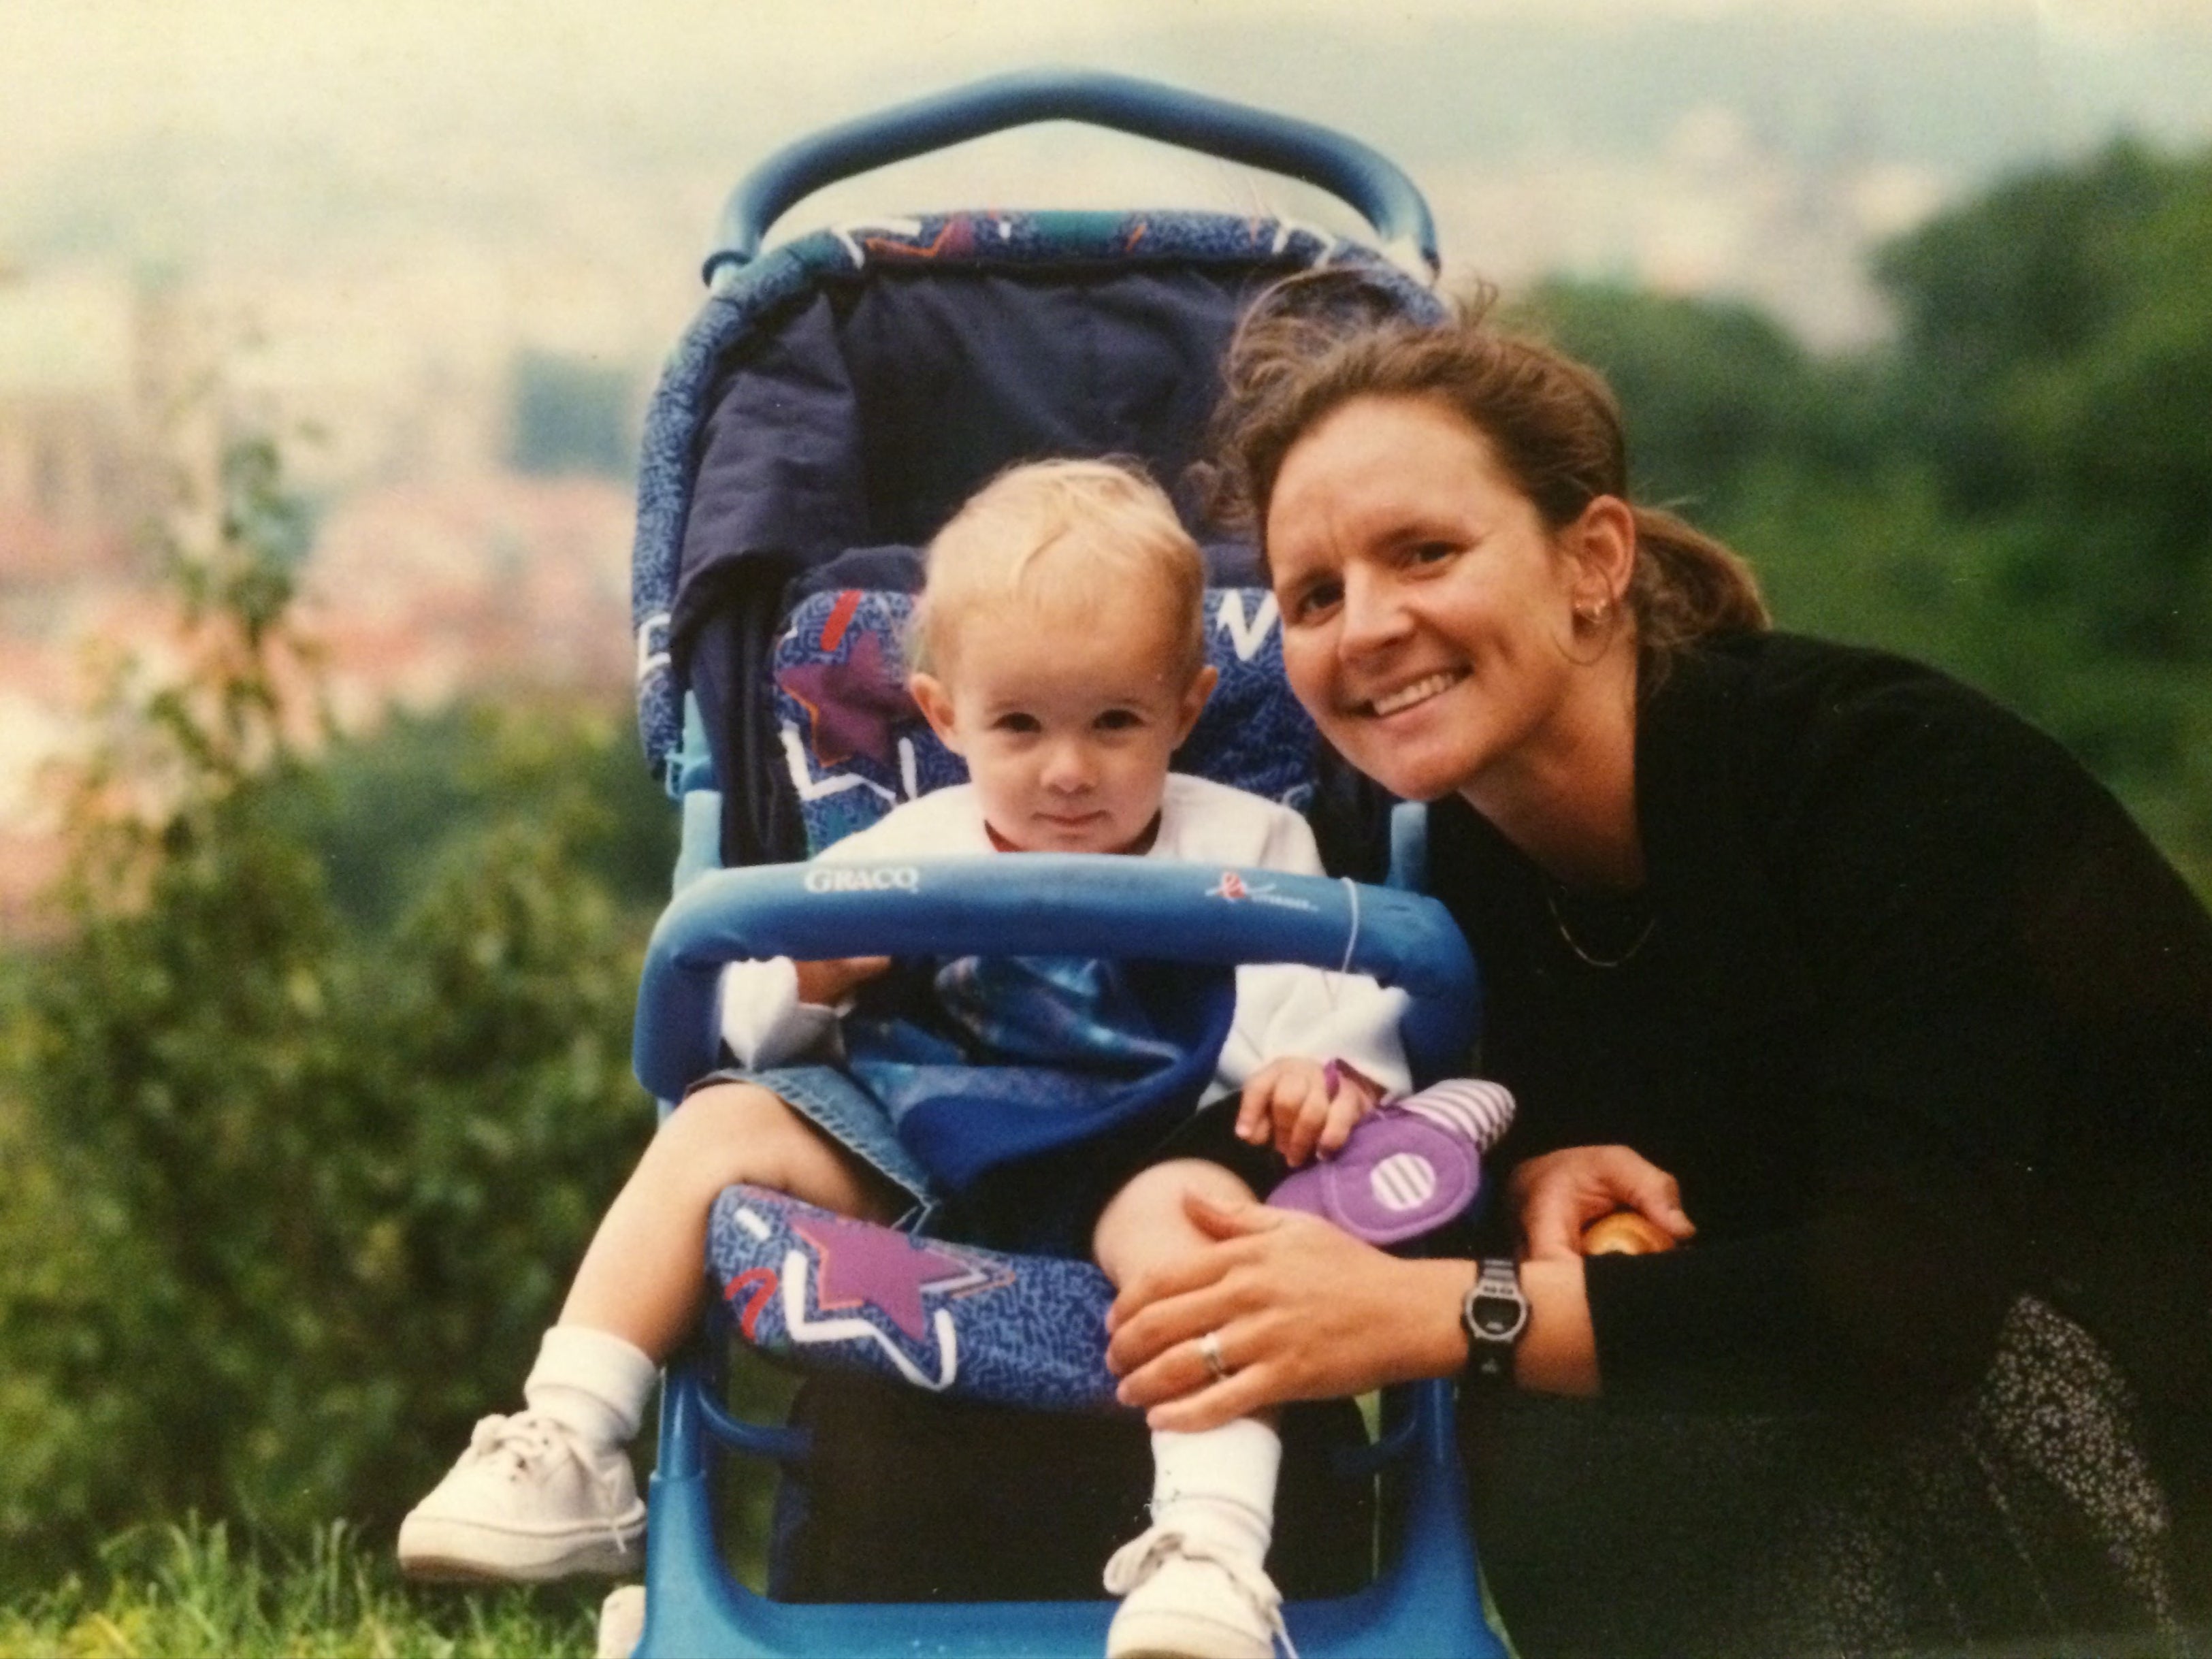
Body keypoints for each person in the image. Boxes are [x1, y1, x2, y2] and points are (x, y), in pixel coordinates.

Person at [1103, 274, 2212, 1657]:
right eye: (1315, 593)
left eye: (1425, 554)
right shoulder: (1451, 866)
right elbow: (1376, 1123)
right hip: (1869, 1433)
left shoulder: (1890, 781)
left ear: (1594, 560)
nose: (1367, 625)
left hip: (2128, 1435)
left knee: (1599, 1428)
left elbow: (1907, 1292)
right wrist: (1216, 1195)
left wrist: (1443, 1306)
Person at [398, 457, 1442, 1659]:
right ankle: (571, 1434)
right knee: (717, 1127)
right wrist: (813, 975)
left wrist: (1321, 1077)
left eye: (1115, 721)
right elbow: (743, 1026)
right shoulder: (908, 844)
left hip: (1153, 1145)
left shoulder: (1252, 838)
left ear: (1188, 703)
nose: (1066, 769)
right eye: (1019, 725)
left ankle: (1208, 1549)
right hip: (930, 1152)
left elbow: (1334, 998)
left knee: (1209, 1235)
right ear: (944, 717)